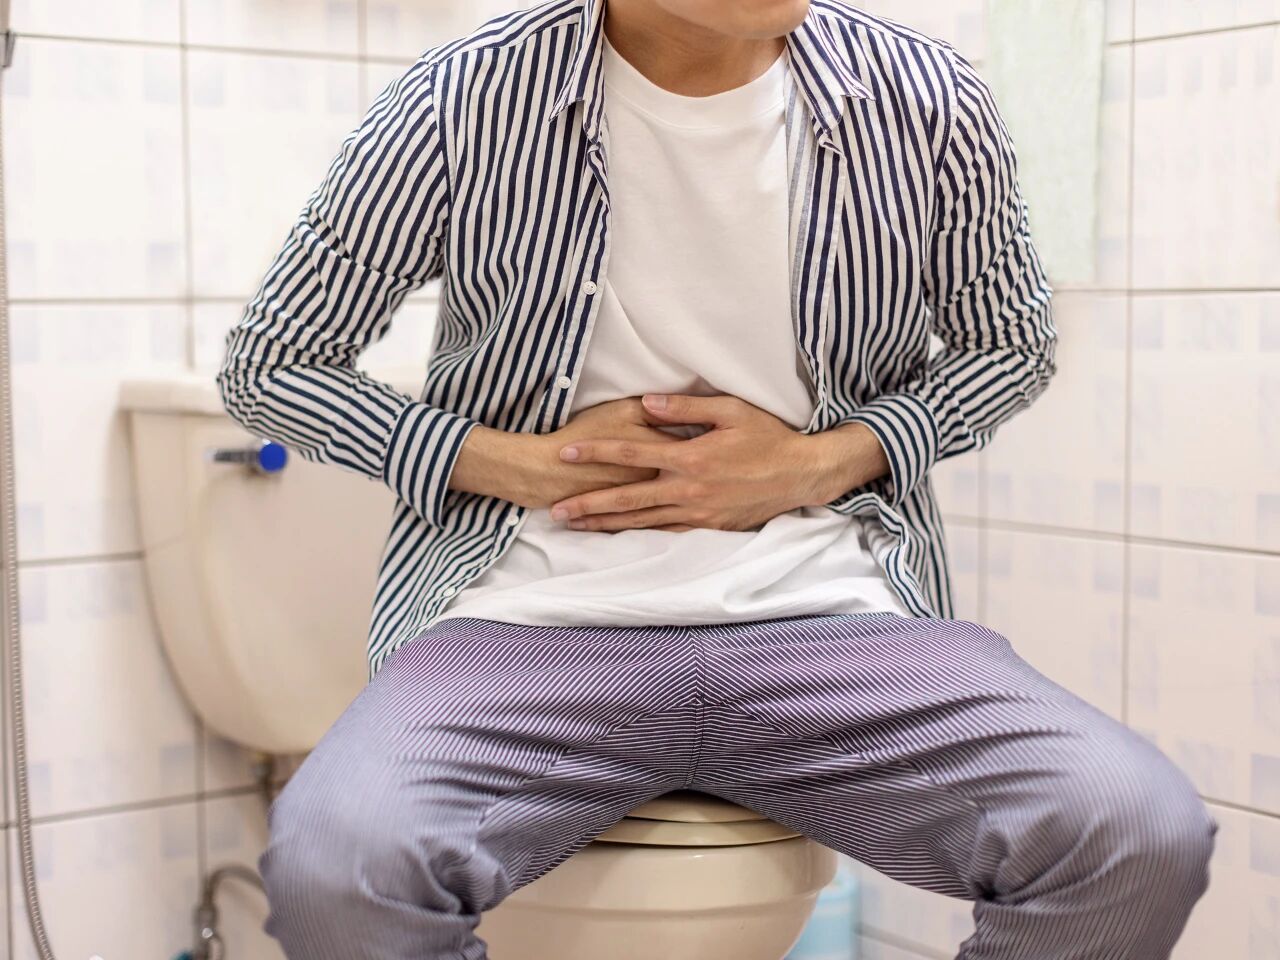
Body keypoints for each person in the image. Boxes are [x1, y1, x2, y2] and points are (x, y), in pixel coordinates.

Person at [215, 1, 1217, 957]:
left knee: (1132, 831)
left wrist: (815, 463)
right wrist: (519, 464)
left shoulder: (926, 98)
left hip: (832, 621)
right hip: (526, 626)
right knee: (338, 868)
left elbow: (1010, 348)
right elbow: (271, 365)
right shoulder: (461, 99)